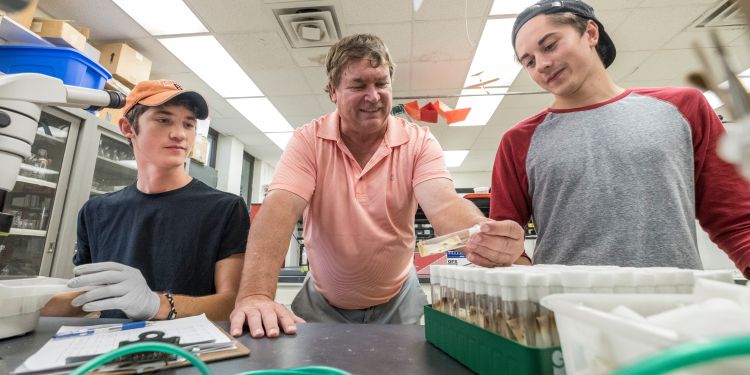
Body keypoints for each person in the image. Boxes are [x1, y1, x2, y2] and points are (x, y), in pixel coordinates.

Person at [229, 33, 529, 338]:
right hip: (321, 304)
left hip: (399, 301)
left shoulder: (418, 142)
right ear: (332, 91)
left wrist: (484, 235)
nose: (373, 96)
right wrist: (255, 294)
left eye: (381, 83)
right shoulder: (308, 141)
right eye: (358, 85)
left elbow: (444, 203)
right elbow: (279, 209)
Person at [491, 0, 750, 276]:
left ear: (590, 33)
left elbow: (735, 218)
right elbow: (503, 249)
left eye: (550, 45)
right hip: (566, 311)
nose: (541, 64)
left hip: (678, 308)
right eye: (528, 61)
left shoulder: (684, 108)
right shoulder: (518, 141)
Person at [42, 80, 250, 320]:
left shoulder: (225, 209)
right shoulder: (96, 211)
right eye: (164, 120)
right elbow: (88, 296)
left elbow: (233, 303)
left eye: (189, 124)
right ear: (128, 127)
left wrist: (156, 304)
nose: (180, 134)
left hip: (190, 350)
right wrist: (22, 306)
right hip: (112, 348)